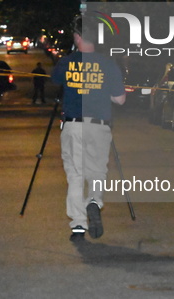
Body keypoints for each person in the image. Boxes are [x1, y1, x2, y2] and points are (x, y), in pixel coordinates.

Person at [51, 16, 126, 242]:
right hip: (99, 126)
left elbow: (55, 81)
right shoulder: (108, 64)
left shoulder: (67, 62)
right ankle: (94, 201)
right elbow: (120, 99)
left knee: (75, 175)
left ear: (77, 37)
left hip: (73, 125)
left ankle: (78, 226)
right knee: (97, 172)